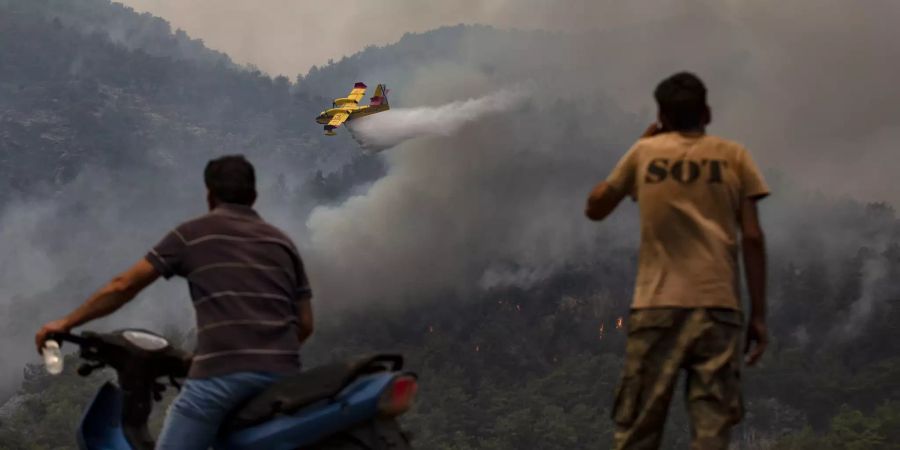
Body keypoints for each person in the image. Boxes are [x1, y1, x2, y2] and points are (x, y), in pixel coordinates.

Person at [35, 155, 314, 449]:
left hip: (221, 377)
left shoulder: (193, 234)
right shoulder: (283, 244)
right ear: (253, 196)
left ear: (209, 195)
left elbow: (124, 286)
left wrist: (65, 323)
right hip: (283, 376)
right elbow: (306, 324)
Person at [585, 72, 769, 450]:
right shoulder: (735, 156)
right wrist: (759, 315)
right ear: (707, 113)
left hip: (657, 307)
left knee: (638, 429)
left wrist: (639, 145)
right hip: (719, 308)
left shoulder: (644, 154)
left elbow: (596, 207)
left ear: (662, 118)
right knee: (712, 432)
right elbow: (752, 236)